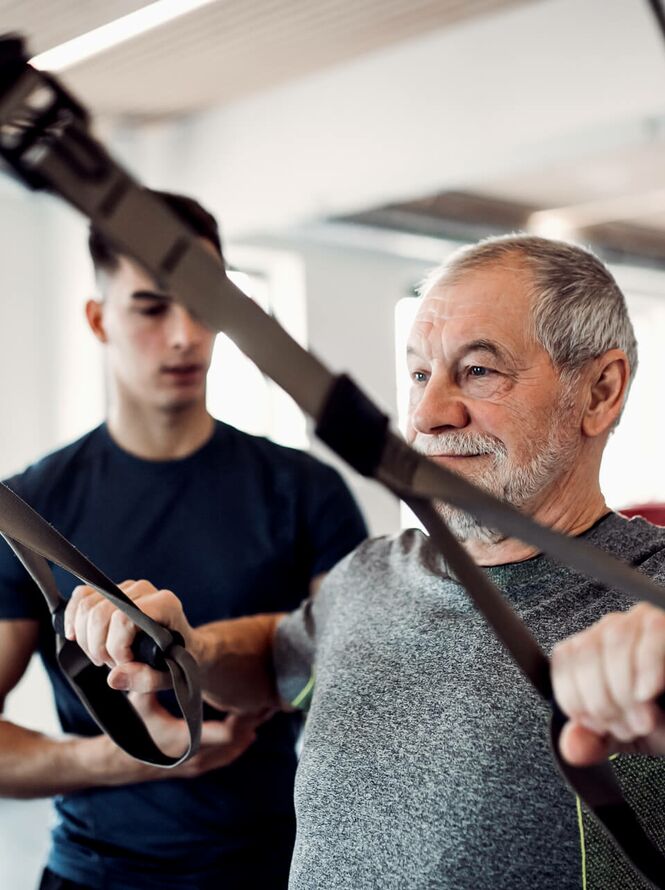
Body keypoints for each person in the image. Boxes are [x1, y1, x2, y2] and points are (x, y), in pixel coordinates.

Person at [66, 234, 665, 889]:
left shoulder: (651, 595)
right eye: (419, 375)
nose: (425, 417)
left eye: (478, 370)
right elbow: (276, 658)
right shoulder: (370, 572)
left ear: (599, 391)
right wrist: (188, 649)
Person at [0, 190, 367, 890]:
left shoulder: (304, 491)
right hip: (95, 875)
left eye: (204, 304)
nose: (185, 335)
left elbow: (358, 683)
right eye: (151, 308)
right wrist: (121, 758)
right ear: (98, 319)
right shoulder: (29, 511)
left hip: (276, 871)